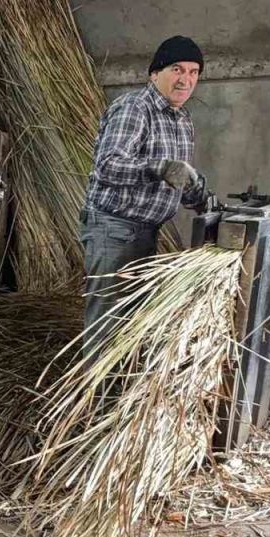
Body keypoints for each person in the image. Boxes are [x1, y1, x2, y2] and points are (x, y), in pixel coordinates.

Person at [80, 35, 209, 342]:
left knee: (131, 321)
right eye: (177, 69)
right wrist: (159, 168)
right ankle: (102, 391)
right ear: (155, 73)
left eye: (193, 72)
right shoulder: (134, 108)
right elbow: (108, 165)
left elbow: (177, 176)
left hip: (146, 232)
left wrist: (200, 196)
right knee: (108, 323)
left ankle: (123, 388)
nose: (185, 80)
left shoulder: (182, 120)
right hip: (114, 230)